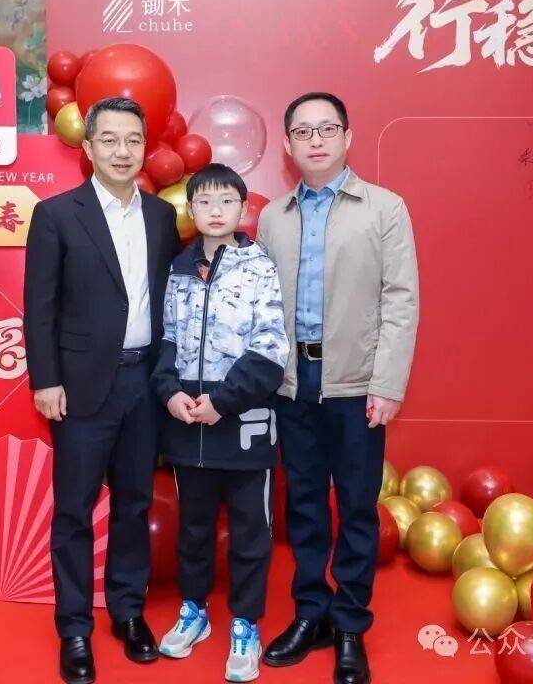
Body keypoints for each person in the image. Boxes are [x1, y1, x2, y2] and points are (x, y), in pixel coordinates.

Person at [256, 92, 420, 684]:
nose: (316, 140)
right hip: (292, 383)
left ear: (348, 137)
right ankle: (311, 614)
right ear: (288, 145)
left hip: (356, 384)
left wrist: (388, 383)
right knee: (302, 505)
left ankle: (350, 623)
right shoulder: (274, 217)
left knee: (355, 507)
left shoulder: (385, 208)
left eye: (327, 129)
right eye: (303, 132)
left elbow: (401, 299)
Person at [24, 96, 181, 684]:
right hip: (81, 387)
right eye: (109, 140)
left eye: (133, 140)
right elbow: (39, 306)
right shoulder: (57, 215)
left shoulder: (161, 217)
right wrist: (46, 379)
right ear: (88, 148)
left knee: (135, 503)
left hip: (145, 382)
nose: (122, 151)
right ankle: (73, 628)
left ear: (145, 148)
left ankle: (127, 612)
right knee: (73, 509)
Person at [151, 163, 289, 683]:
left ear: (242, 208)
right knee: (194, 529)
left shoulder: (260, 267)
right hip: (189, 426)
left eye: (226, 201)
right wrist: (170, 392)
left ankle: (246, 623)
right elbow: (166, 341)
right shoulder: (178, 268)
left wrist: (224, 401)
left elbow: (270, 349)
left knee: (252, 534)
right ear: (191, 209)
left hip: (244, 424)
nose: (214, 211)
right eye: (204, 202)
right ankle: (195, 611)